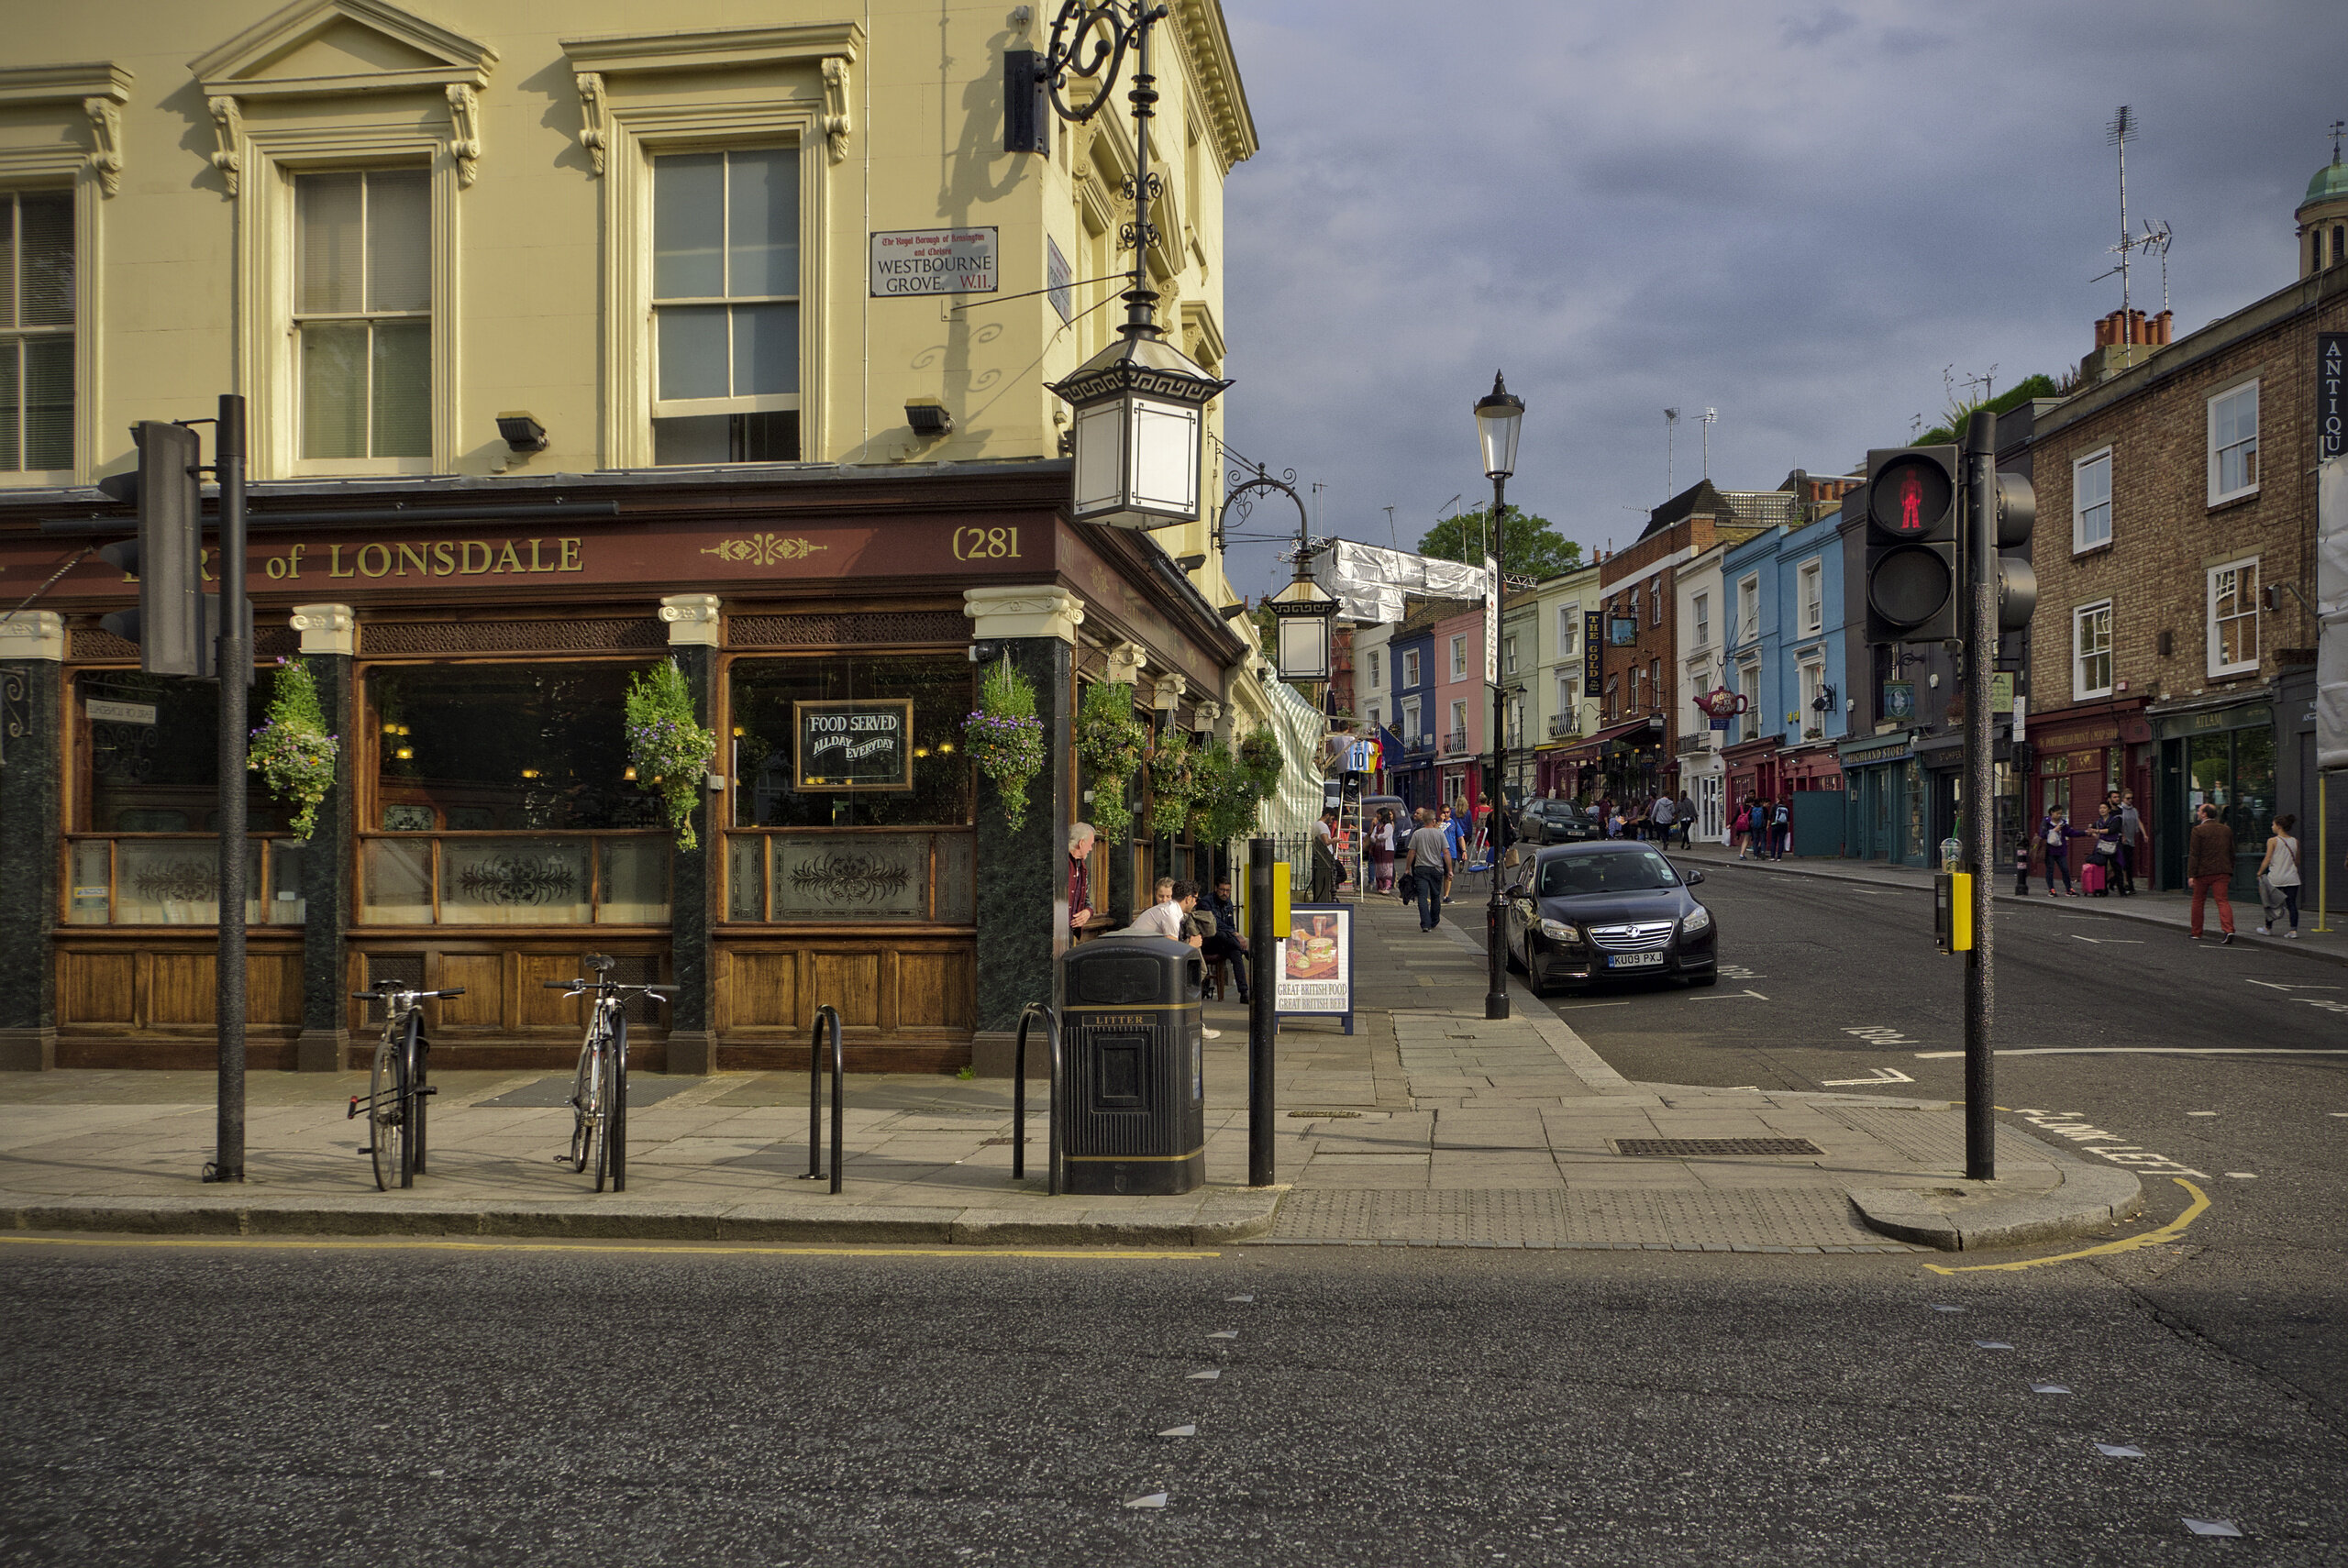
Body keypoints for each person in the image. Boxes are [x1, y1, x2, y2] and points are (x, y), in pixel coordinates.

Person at [2187, 802, 2236, 944]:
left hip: (2203, 872)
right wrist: (2230, 869)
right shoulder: (2226, 830)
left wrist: (2191, 874)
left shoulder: (2198, 830)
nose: (2197, 813)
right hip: (2222, 871)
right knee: (2222, 901)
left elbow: (2194, 854)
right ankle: (2229, 929)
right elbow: (2232, 852)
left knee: (2198, 901)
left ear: (2204, 814)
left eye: (2199, 811)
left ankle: (2196, 932)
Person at [1200, 875, 1253, 998]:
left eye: (1228, 890)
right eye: (1222, 890)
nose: (1225, 893)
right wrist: (1237, 935)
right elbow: (1214, 923)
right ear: (1216, 888)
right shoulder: (1206, 902)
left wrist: (1235, 934)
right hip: (1208, 941)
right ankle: (1244, 950)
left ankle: (1244, 992)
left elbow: (1231, 925)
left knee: (1235, 952)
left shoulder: (1228, 903)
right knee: (1221, 934)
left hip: (1225, 943)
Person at [1404, 806, 1455, 932]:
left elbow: (1411, 852)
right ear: (1433, 821)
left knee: (1422, 896)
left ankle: (1425, 924)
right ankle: (1434, 920)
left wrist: (1407, 869)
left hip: (1421, 868)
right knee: (1435, 896)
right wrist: (1450, 870)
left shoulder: (1417, 834)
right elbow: (1446, 853)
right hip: (1436, 869)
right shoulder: (1439, 834)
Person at [2256, 813, 2302, 937]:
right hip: (2292, 878)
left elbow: (2267, 858)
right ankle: (2293, 930)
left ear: (2279, 826)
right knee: (2291, 904)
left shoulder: (2272, 841)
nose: (2272, 827)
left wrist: (2260, 871)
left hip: (2276, 877)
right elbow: (2297, 862)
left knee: (2270, 903)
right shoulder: (2295, 842)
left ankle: (2268, 927)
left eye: (2273, 824)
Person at [2039, 806, 2090, 896]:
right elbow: (2042, 834)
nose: (2059, 816)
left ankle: (2069, 889)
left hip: (2060, 850)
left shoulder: (2063, 824)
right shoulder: (2046, 822)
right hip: (2049, 850)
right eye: (2057, 813)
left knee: (2065, 869)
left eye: (2060, 814)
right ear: (2052, 813)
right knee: (2050, 870)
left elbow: (2071, 833)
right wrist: (2053, 830)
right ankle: (2051, 889)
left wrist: (2085, 833)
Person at [1068, 822, 1096, 936]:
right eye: (1090, 844)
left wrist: (1088, 912)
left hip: (1069, 932)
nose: (1091, 849)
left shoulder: (1082, 867)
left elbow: (1086, 897)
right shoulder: (1062, 863)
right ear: (1081, 843)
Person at [2115, 789, 2143, 895]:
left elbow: (2138, 821)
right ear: (2123, 799)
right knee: (2124, 863)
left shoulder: (2134, 810)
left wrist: (2144, 834)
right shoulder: (2120, 810)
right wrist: (2122, 835)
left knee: (2129, 863)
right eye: (2128, 798)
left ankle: (2127, 884)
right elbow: (2119, 823)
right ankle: (2126, 885)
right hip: (2122, 840)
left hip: (2131, 839)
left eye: (2132, 798)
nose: (2130, 800)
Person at [1311, 807, 1340, 901]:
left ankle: (1329, 886)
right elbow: (1326, 841)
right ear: (1327, 815)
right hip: (1328, 855)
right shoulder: (1322, 826)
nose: (1331, 822)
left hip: (1321, 855)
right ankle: (1330, 886)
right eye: (1331, 819)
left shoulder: (1315, 824)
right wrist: (1334, 840)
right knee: (1342, 874)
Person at [1368, 807, 1398, 893]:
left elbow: (1385, 836)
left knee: (1386, 868)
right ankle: (1380, 886)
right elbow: (1372, 838)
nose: (1377, 816)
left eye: (1379, 814)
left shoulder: (1388, 826)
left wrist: (1378, 836)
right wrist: (1378, 837)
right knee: (1379, 868)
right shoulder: (1377, 826)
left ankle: (1387, 887)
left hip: (1387, 850)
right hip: (1378, 849)